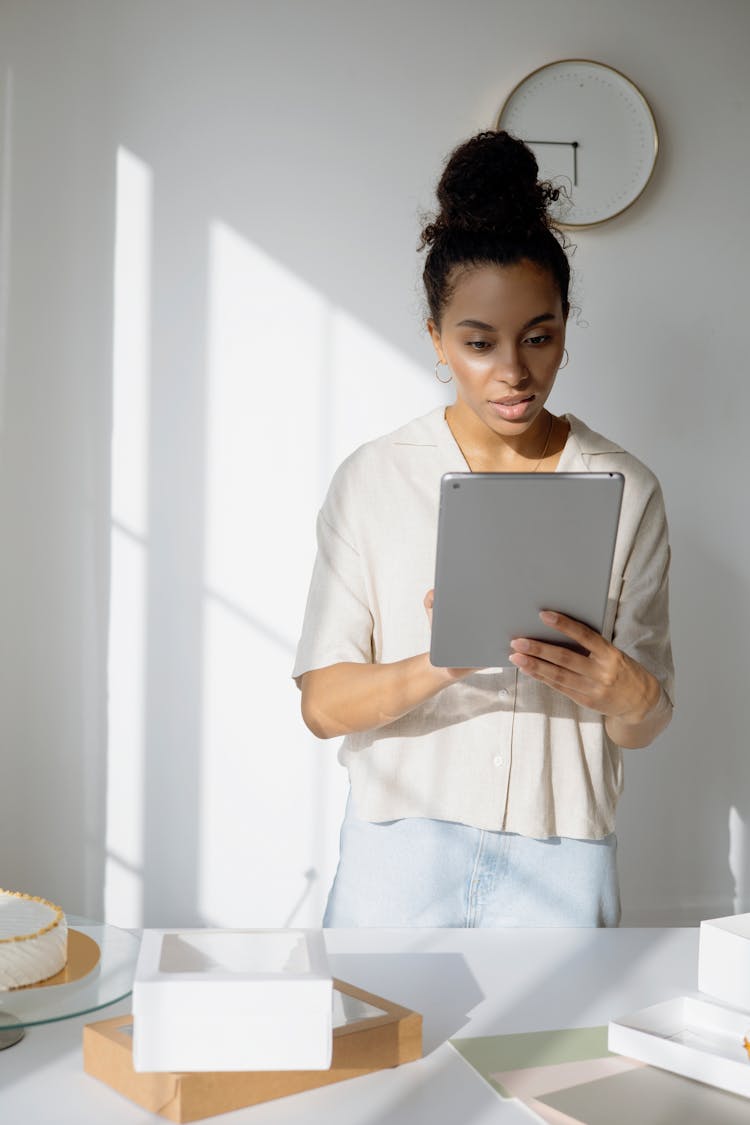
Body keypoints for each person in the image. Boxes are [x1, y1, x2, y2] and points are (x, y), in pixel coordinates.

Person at [292, 130, 674, 928]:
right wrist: (443, 662)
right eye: (478, 342)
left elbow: (640, 725)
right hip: (396, 858)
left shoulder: (628, 489)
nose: (513, 371)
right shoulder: (375, 479)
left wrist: (626, 691)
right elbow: (323, 704)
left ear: (566, 325)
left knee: (560, 1058)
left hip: (564, 860)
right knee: (380, 1055)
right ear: (437, 339)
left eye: (540, 336)